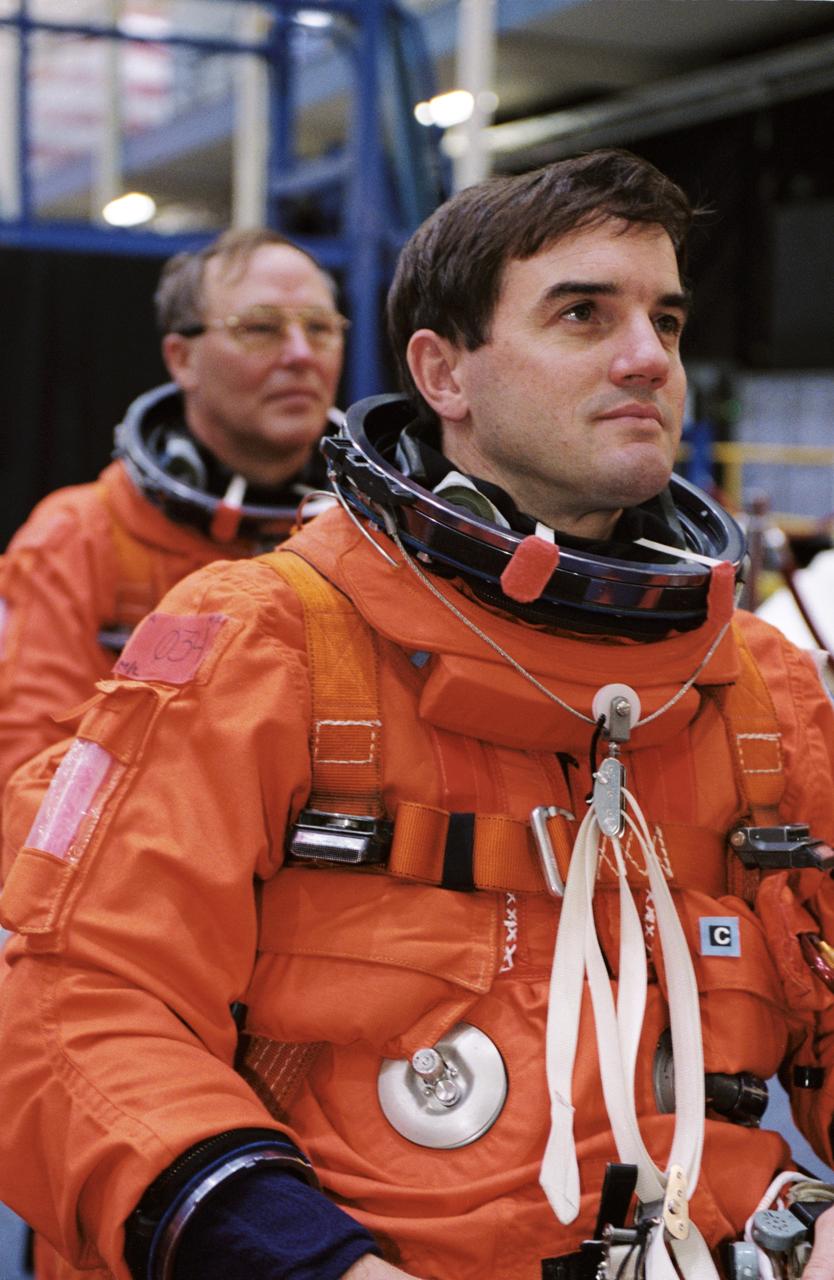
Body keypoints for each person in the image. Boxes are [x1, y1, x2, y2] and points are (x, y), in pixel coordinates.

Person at [1, 149, 834, 1280]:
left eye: (668, 321)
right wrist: (302, 1257)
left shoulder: (758, 689)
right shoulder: (265, 644)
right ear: (443, 373)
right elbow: (69, 1002)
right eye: (584, 315)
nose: (649, 359)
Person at [0, 226, 346, 798]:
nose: (301, 355)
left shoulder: (373, 536)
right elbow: (28, 780)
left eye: (321, 328)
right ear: (181, 358)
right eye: (260, 328)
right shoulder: (84, 536)